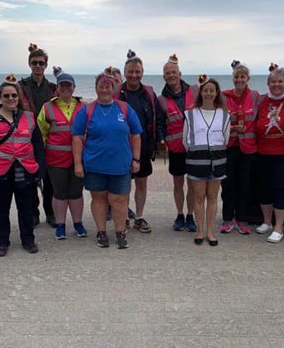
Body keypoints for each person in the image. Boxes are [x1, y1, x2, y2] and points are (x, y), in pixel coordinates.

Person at [72, 68, 142, 249]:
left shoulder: (125, 109)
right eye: (101, 87)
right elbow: (77, 137)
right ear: (96, 88)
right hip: (95, 165)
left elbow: (136, 135)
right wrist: (78, 163)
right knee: (99, 198)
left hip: (120, 165)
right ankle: (101, 231)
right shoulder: (87, 110)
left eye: (108, 86)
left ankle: (120, 232)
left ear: (114, 88)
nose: (104, 90)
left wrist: (136, 159)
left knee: (119, 200)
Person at [0, 75, 45, 256]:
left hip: (26, 169)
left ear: (19, 97)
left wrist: (40, 169)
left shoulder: (30, 117)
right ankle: (1, 243)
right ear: (0, 97)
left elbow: (38, 144)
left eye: (13, 95)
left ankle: (28, 241)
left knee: (26, 208)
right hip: (0, 170)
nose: (10, 99)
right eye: (6, 96)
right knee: (1, 208)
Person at [37, 67, 87, 241]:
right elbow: (41, 132)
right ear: (57, 88)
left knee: (76, 193)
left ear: (73, 87)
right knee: (59, 193)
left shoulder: (82, 106)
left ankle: (78, 223)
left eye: (69, 86)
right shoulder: (47, 107)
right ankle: (60, 225)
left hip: (78, 159)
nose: (66, 89)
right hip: (56, 159)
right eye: (62, 86)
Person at [254, 63, 284, 243]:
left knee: (282, 188)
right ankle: (266, 221)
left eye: (280, 81)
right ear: (268, 84)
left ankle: (279, 227)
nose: (277, 85)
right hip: (262, 152)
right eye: (273, 82)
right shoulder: (261, 100)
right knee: (264, 188)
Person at [183, 75, 229, 245]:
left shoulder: (224, 115)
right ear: (200, 92)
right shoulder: (190, 114)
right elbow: (185, 140)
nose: (209, 93)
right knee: (198, 197)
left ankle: (210, 231)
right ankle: (200, 231)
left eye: (212, 90)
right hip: (197, 161)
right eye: (206, 90)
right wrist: (198, 153)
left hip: (217, 161)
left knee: (213, 197)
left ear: (217, 93)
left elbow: (226, 138)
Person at [118, 50, 160, 233]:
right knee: (124, 185)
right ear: (125, 72)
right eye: (130, 72)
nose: (134, 75)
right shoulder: (116, 93)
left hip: (144, 147)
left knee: (141, 183)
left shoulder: (149, 93)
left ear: (142, 72)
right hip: (122, 148)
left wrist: (158, 142)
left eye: (137, 72)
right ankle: (124, 217)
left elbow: (156, 119)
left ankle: (139, 217)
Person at [157, 54, 198, 233]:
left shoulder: (195, 91)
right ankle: (180, 214)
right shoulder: (162, 99)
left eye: (173, 72)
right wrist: (160, 141)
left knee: (193, 184)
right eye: (167, 73)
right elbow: (160, 122)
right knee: (178, 184)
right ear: (164, 77)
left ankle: (191, 215)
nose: (171, 75)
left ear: (179, 73)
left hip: (195, 147)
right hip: (176, 148)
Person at [220, 61, 260, 235]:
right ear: (233, 78)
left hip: (248, 149)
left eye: (242, 77)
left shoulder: (256, 96)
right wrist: (231, 122)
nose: (239, 80)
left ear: (248, 78)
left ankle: (242, 219)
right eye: (237, 77)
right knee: (228, 185)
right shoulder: (224, 97)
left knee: (245, 185)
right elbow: (216, 119)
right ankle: (228, 219)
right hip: (229, 147)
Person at [19, 43, 56, 227]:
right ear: (30, 64)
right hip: (27, 137)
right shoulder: (21, 86)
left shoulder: (53, 88)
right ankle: (33, 212)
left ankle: (50, 212)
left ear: (46, 65)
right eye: (34, 63)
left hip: (49, 138)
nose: (38, 66)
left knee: (49, 179)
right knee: (30, 177)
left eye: (41, 63)